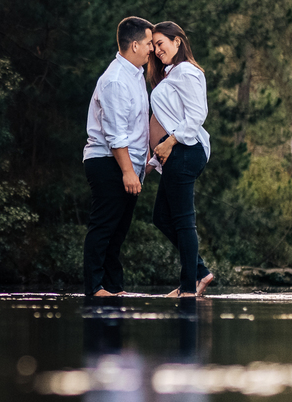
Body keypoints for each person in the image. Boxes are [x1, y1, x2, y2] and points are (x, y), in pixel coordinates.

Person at [82, 16, 154, 297]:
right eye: (149, 43)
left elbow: (137, 124)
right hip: (107, 162)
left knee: (118, 232)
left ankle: (114, 287)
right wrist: (127, 171)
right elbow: (115, 134)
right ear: (134, 45)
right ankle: (95, 287)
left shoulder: (135, 74)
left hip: (127, 164)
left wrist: (142, 163)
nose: (151, 49)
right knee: (103, 227)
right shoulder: (114, 80)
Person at [148, 21, 214, 297]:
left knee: (183, 221)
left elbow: (197, 115)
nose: (156, 50)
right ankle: (200, 273)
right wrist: (154, 160)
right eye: (153, 45)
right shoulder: (172, 73)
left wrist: (171, 141)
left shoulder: (186, 71)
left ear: (178, 41)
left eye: (160, 43)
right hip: (176, 151)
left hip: (186, 149)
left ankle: (188, 287)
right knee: (162, 217)